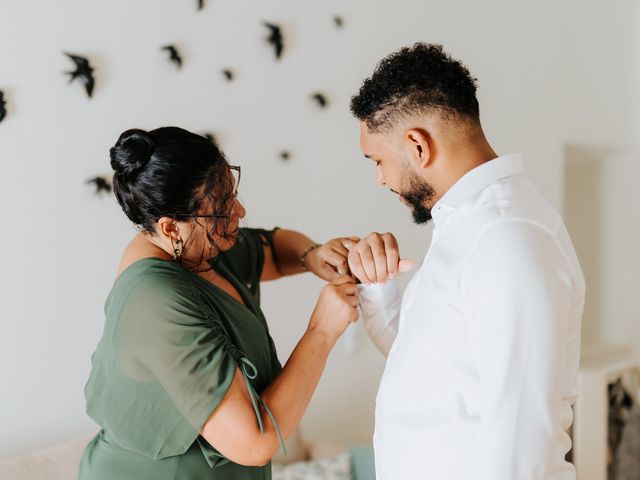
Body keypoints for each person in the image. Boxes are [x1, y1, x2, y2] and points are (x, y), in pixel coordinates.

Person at [346, 43, 586, 479]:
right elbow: (430, 368)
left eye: (378, 160)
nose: (380, 177)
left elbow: (522, 439)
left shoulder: (505, 236)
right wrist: (377, 288)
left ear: (417, 146)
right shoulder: (466, 227)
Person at [78, 126, 361, 479]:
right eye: (222, 207)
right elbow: (254, 443)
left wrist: (313, 255)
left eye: (231, 194)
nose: (239, 211)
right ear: (170, 229)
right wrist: (322, 331)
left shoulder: (199, 247)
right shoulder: (153, 301)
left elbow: (269, 248)